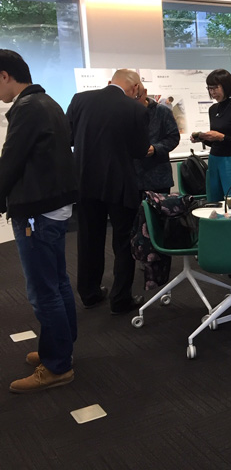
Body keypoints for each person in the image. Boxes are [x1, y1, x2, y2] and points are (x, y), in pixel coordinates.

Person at [0, 50, 79, 393]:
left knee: (43, 291)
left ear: (5, 75)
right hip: (53, 206)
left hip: (37, 211)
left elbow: (10, 161)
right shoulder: (46, 102)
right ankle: (60, 347)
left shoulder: (28, 107)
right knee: (57, 283)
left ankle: (58, 365)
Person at [67, 68, 149, 315]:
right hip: (120, 183)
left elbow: (68, 138)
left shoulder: (80, 99)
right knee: (123, 242)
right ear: (135, 88)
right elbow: (140, 150)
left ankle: (89, 293)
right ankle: (120, 298)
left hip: (85, 181)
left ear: (111, 81)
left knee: (88, 238)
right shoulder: (136, 109)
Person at [133, 85, 180, 286]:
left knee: (159, 223)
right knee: (136, 223)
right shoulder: (127, 112)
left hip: (157, 175)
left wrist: (156, 148)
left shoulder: (161, 112)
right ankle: (142, 259)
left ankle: (160, 265)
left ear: (143, 93)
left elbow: (173, 137)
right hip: (132, 177)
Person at [191, 69, 231, 203]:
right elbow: (215, 141)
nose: (212, 92)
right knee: (214, 201)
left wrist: (222, 137)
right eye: (209, 88)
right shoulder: (213, 109)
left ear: (226, 86)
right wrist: (202, 138)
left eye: (215, 88)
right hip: (214, 158)